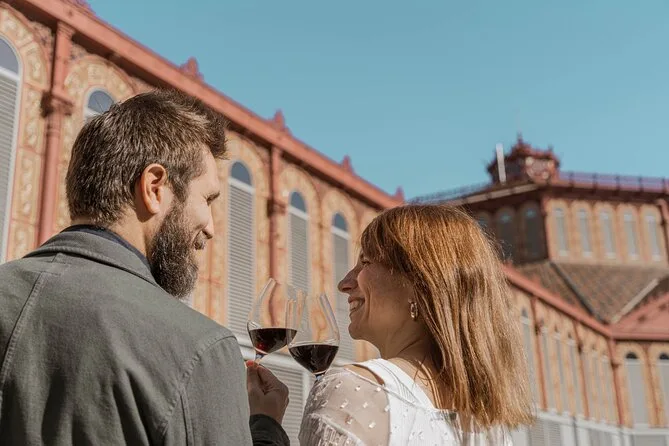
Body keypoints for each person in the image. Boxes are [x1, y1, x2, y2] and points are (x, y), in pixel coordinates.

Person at [0, 89, 290, 446]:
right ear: (154, 188)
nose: (211, 227)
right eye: (207, 199)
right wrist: (266, 427)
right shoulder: (198, 349)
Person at [297, 204, 534, 445]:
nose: (344, 283)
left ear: (419, 284)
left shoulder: (352, 391)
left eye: (365, 262)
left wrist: (272, 427)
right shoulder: (489, 424)